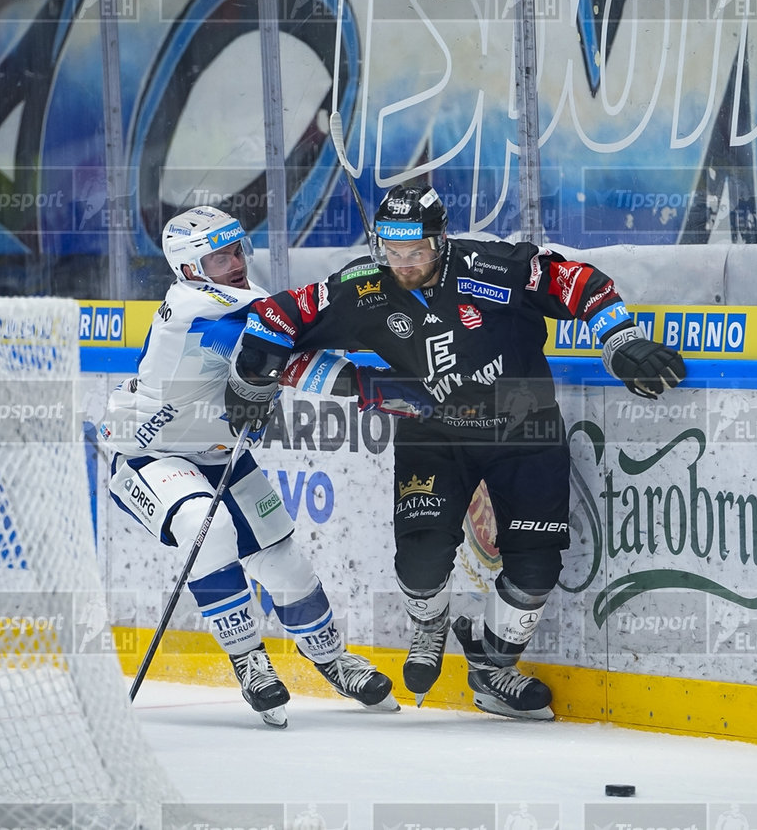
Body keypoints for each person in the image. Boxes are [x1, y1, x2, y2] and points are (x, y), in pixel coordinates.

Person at [224, 184, 685, 720]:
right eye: (392, 253)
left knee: (535, 571)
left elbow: (581, 283)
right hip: (434, 433)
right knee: (420, 565)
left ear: (440, 241)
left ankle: (492, 671)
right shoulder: (363, 286)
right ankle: (431, 622)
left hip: (524, 428)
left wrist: (619, 339)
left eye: (415, 252)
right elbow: (276, 318)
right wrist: (254, 374)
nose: (404, 265)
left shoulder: (492, 266)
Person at [101, 204, 427, 727]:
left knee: (283, 562)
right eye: (218, 258)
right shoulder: (196, 311)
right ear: (188, 270)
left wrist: (375, 301)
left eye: (236, 250)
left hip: (219, 454)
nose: (235, 262)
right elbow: (289, 353)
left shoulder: (243, 303)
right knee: (206, 528)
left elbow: (291, 330)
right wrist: (373, 350)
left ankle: (328, 658)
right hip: (150, 455)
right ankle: (249, 658)